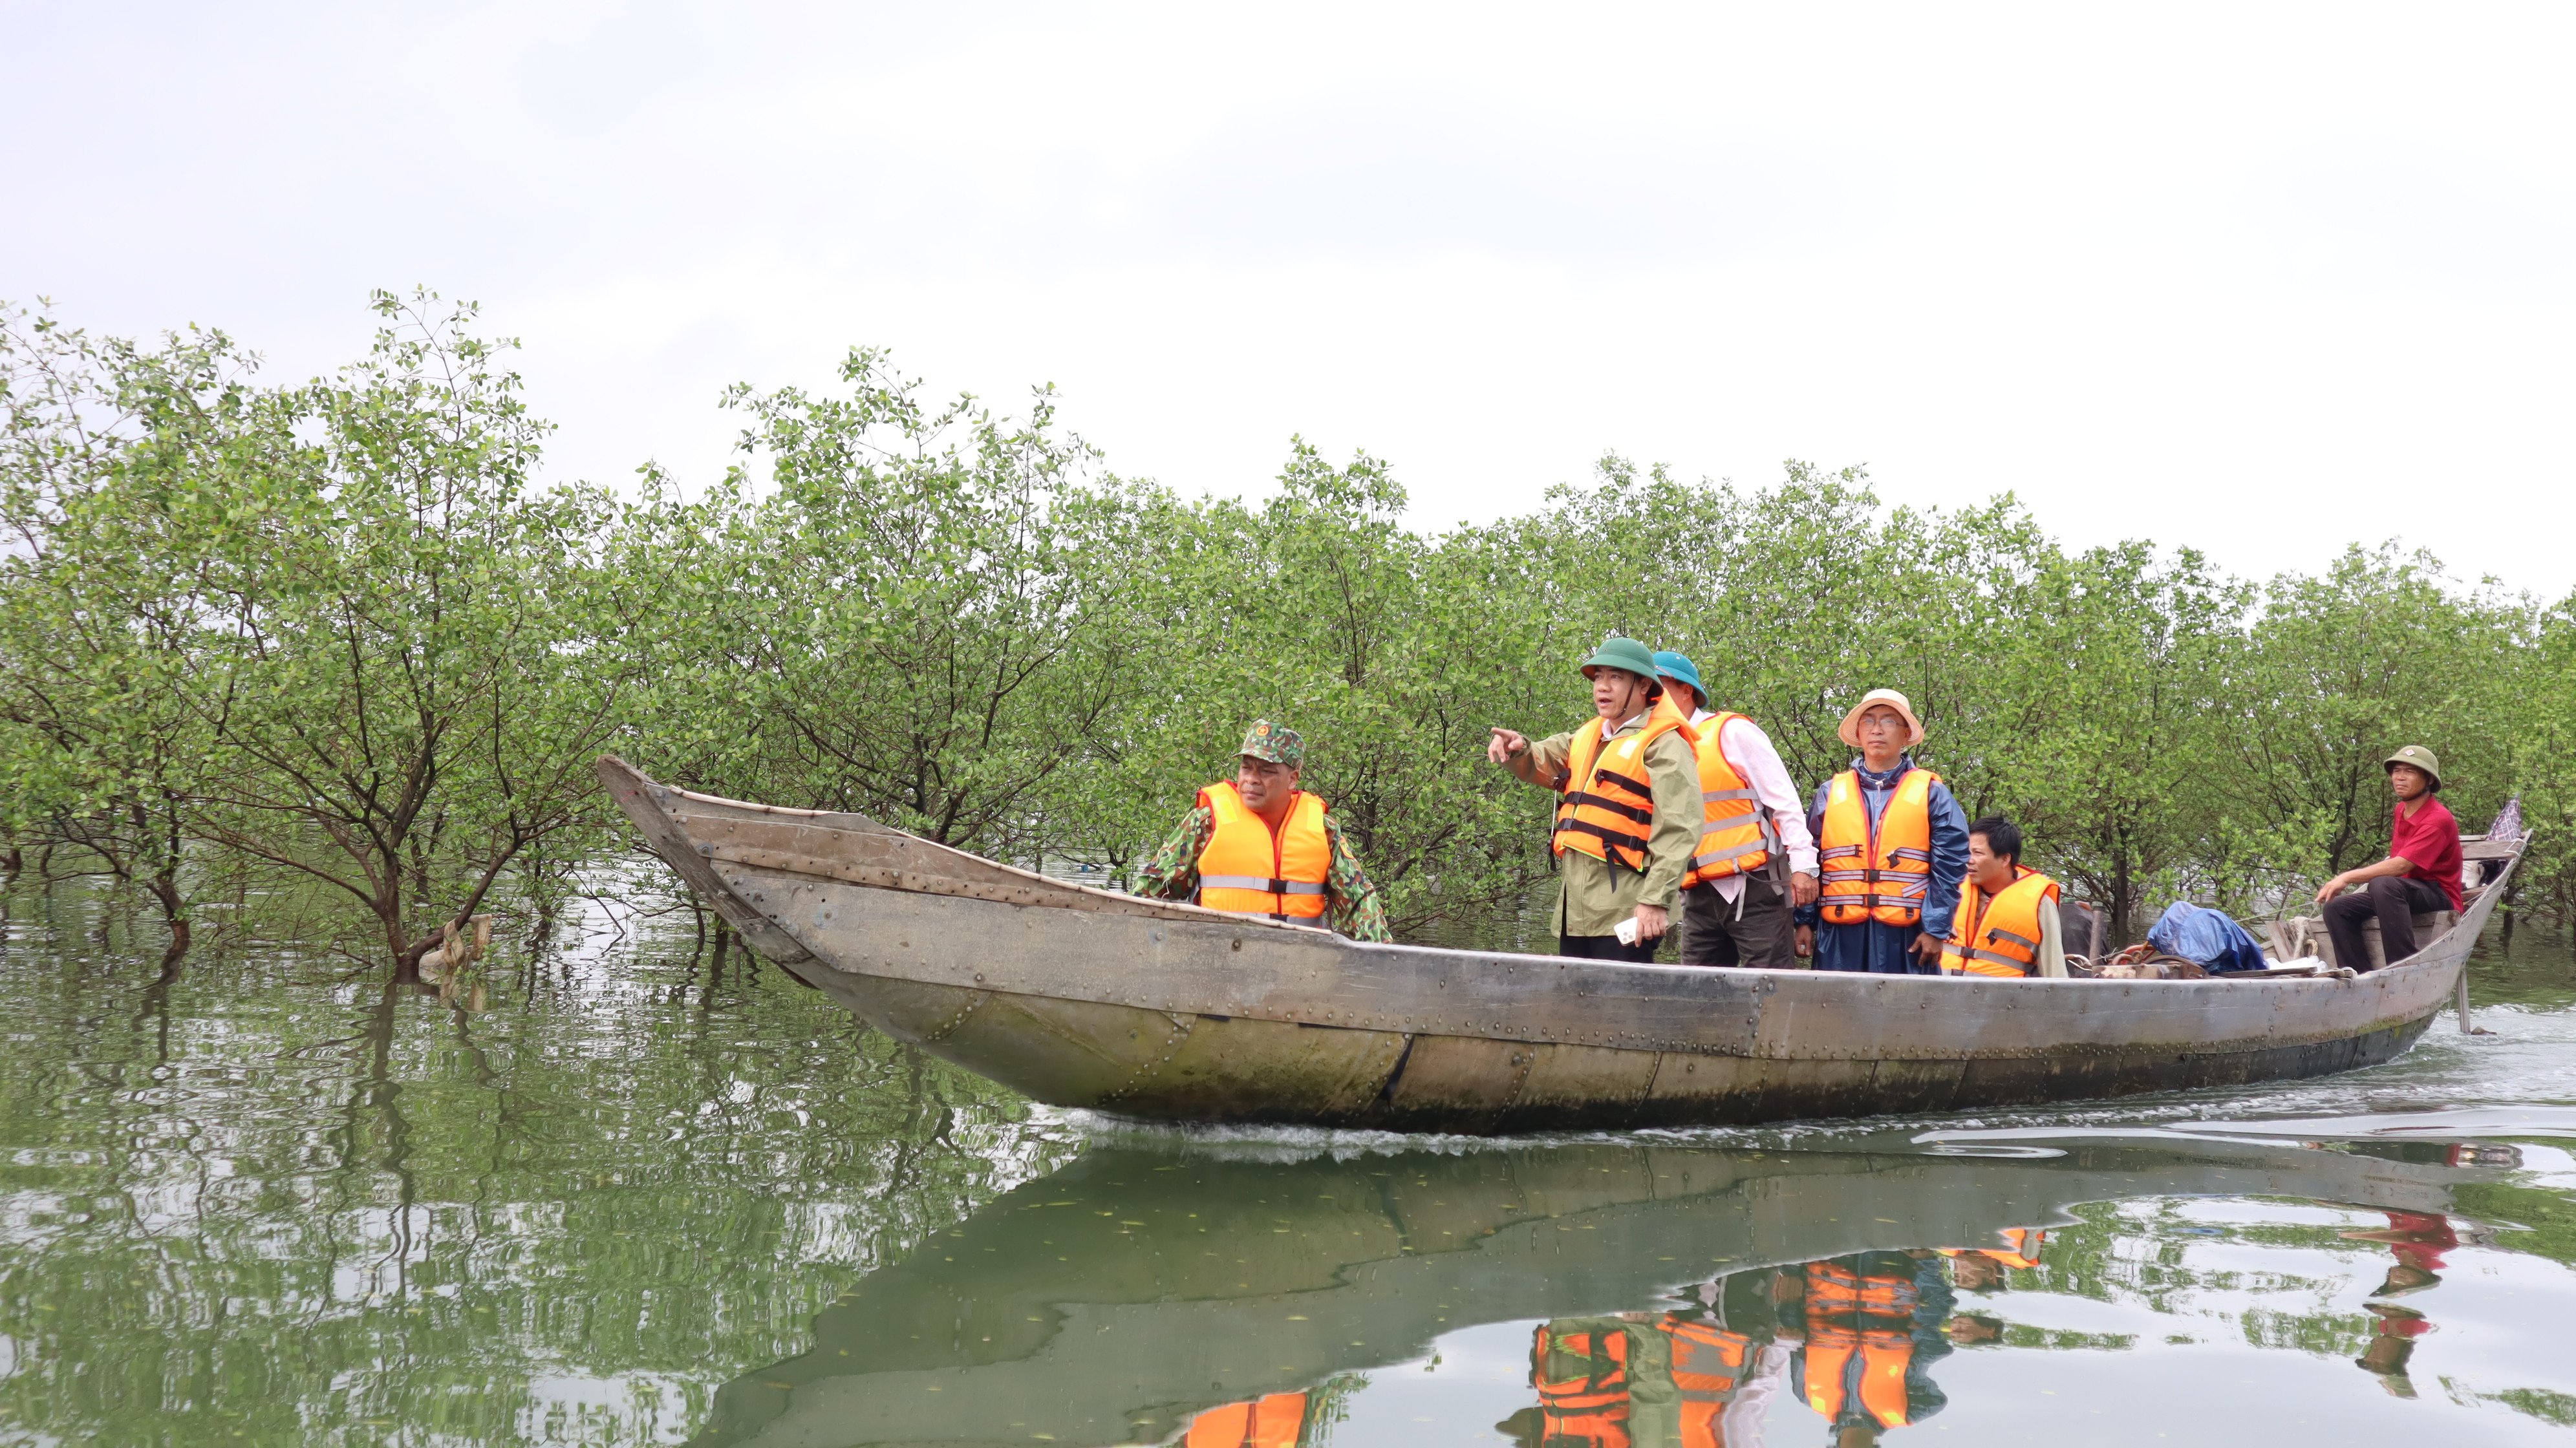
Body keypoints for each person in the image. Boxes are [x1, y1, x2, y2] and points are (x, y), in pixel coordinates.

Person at [1490, 637, 1702, 963]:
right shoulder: (1589, 735)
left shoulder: (1666, 745)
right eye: (1599, 676)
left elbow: (1680, 828)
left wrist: (1655, 901)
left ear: (1644, 685)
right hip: (1574, 914)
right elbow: (1542, 757)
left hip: (1628, 911)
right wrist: (1518, 749)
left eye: (1616, 677)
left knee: (1624, 1011)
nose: (1603, 686)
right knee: (1574, 1008)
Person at [1132, 719, 1393, 942]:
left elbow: (1359, 901)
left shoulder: (1323, 830)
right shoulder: (1207, 821)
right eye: (1246, 768)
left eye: (1267, 771)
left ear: (1293, 779)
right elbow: (1151, 890)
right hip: (1218, 960)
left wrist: (1380, 957)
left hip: (1300, 964)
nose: (1251, 779)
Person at [1651, 651, 1819, 969]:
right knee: (1696, 994)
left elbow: (1783, 800)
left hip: (1758, 889)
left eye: (1658, 687)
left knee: (1771, 994)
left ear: (1686, 691)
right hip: (1698, 896)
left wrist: (1804, 867)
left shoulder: (1732, 731)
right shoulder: (1658, 747)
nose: (1650, 698)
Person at [1792, 690, 1969, 975]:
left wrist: (1936, 928)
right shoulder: (1830, 792)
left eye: (1888, 721)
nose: (1877, 730)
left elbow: (1951, 865)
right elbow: (1810, 860)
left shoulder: (1932, 792)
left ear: (1905, 733)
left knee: (1906, 1014)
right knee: (1837, 1011)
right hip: (1839, 933)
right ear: (1859, 734)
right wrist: (1803, 921)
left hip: (1908, 934)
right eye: (1868, 722)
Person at [2316, 745, 2463, 972]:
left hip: (2438, 895)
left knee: (2383, 883)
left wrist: (2346, 877)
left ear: (2429, 780)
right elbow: (2398, 864)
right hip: (2403, 892)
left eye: (2410, 772)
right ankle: (2358, 975)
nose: (2400, 778)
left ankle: (2402, 966)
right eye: (2397, 771)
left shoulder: (2438, 819)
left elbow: (2402, 865)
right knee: (2337, 908)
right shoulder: (2400, 810)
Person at [1938, 816, 2067, 978]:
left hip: (2003, 1001)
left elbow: (2055, 973)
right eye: (1966, 852)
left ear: (2005, 859)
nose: (1968, 860)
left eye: (1977, 853)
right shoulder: (1950, 887)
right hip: (1940, 998)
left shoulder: (2040, 902)